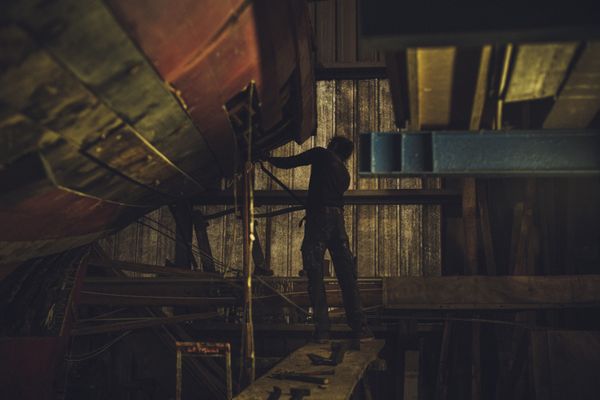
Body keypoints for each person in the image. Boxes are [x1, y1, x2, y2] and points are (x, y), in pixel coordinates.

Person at [266, 136, 374, 342]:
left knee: (315, 274)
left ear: (332, 146)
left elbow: (291, 162)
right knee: (346, 276)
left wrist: (268, 159)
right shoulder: (345, 174)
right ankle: (360, 328)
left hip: (319, 220)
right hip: (338, 221)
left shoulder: (321, 155)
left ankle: (323, 330)